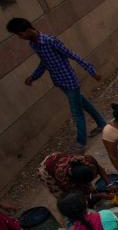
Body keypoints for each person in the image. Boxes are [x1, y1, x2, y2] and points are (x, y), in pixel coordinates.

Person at [6, 18, 106, 153]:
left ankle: (81, 142)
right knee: (83, 103)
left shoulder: (50, 41)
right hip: (59, 82)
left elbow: (72, 54)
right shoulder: (34, 44)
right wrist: (34, 76)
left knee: (77, 113)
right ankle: (102, 124)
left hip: (70, 81)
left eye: (20, 34)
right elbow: (44, 62)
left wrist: (91, 71)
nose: (20, 37)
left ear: (28, 30)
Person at [38, 151, 113, 204]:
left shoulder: (84, 160)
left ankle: (91, 196)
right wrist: (99, 195)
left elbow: (99, 168)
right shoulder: (63, 179)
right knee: (69, 200)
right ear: (75, 181)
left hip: (56, 157)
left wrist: (109, 184)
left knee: (89, 190)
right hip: (46, 171)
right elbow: (73, 196)